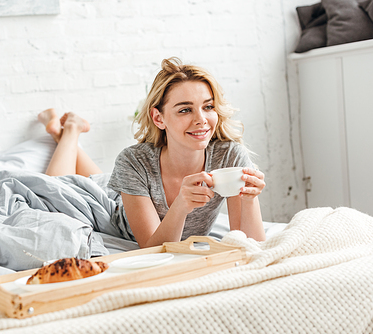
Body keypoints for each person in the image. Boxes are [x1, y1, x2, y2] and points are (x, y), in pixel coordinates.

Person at [38, 57, 266, 249]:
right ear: (159, 118)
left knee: (102, 179)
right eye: (185, 110)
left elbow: (251, 244)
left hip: (129, 186)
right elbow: (153, 247)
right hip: (112, 207)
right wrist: (180, 206)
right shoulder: (132, 161)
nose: (201, 120)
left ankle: (66, 132)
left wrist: (249, 199)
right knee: (57, 185)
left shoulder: (229, 155)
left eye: (208, 107)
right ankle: (70, 130)